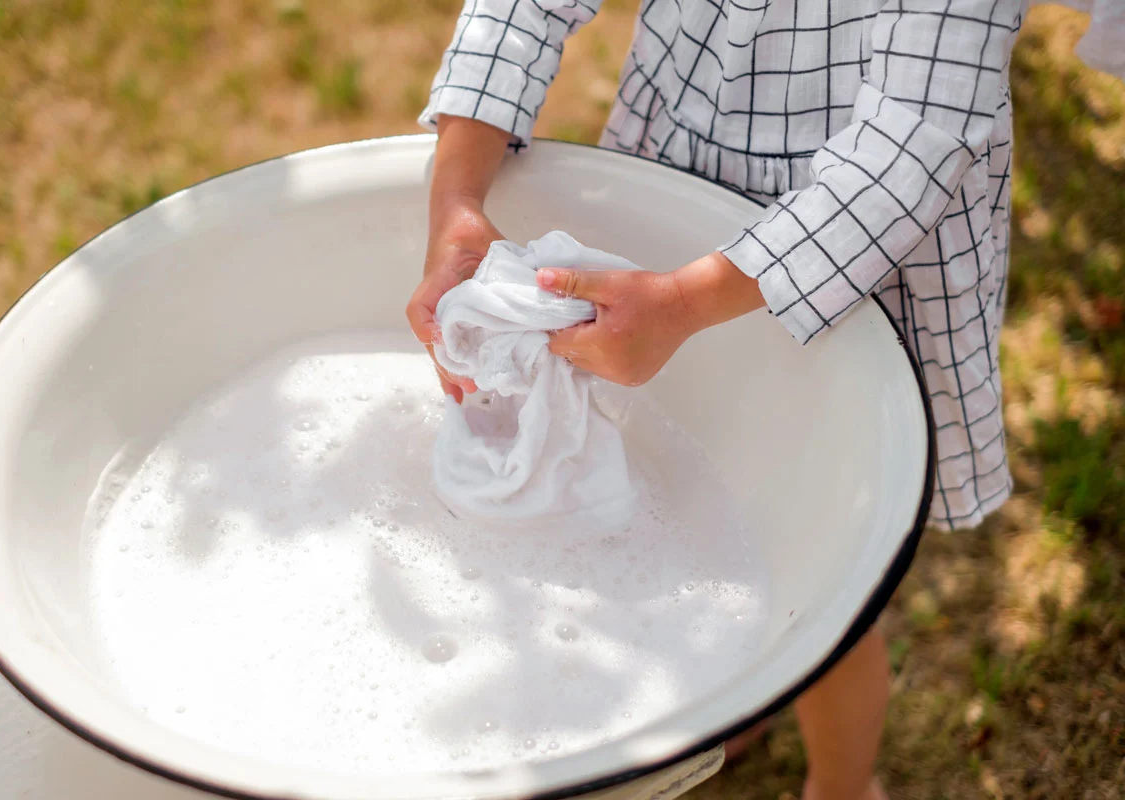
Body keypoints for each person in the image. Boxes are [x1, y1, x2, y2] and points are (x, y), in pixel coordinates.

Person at [407, 1, 1025, 797]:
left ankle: (842, 785)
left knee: (820, 570)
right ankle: (739, 685)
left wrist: (685, 301)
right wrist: (457, 194)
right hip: (682, 162)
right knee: (696, 461)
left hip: (854, 247)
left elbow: (915, 136)